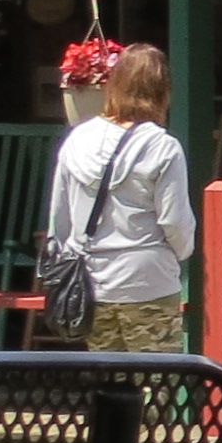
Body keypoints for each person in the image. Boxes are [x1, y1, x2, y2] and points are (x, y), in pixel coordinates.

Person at [49, 43, 197, 354]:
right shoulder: (163, 146)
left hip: (91, 280)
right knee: (158, 379)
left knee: (108, 378)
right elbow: (174, 221)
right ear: (162, 90)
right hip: (148, 278)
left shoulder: (78, 139)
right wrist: (182, 253)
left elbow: (60, 218)